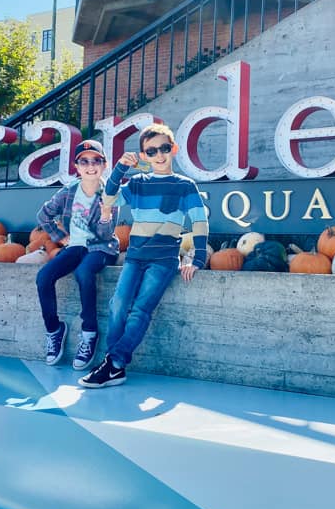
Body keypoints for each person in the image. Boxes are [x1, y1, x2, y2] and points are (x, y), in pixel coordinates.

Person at [78, 123, 208, 388]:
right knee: (118, 304)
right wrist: (120, 168)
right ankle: (114, 366)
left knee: (140, 310)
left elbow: (199, 221)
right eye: (152, 151)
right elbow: (109, 199)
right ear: (144, 156)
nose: (159, 155)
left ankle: (112, 364)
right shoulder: (137, 183)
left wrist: (198, 258)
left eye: (164, 148)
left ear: (174, 149)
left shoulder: (185, 186)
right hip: (135, 256)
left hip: (164, 260)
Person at [36, 140, 119, 371]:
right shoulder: (69, 191)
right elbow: (43, 215)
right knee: (44, 277)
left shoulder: (110, 194)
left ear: (104, 165)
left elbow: (106, 234)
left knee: (84, 272)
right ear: (77, 166)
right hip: (76, 245)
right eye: (85, 161)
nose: (90, 166)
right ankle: (54, 329)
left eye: (96, 161)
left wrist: (105, 214)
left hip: (102, 247)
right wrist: (60, 237)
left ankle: (89, 333)